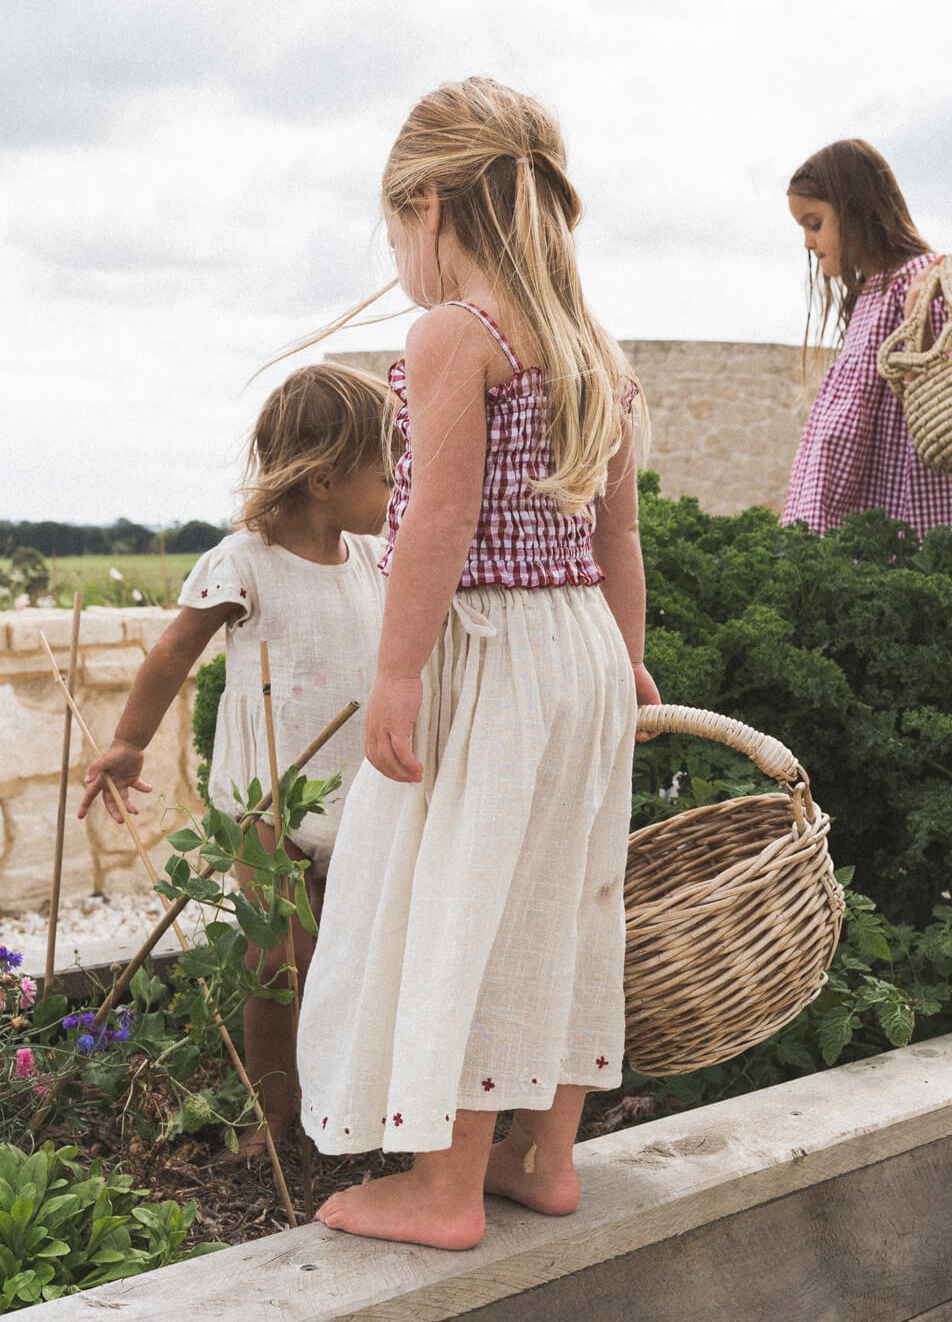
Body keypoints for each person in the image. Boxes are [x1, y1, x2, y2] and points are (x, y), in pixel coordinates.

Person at [295, 76, 660, 1252]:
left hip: (492, 648)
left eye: (396, 223)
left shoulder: (457, 333)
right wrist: (628, 669)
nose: (401, 253)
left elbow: (438, 520)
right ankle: (542, 1158)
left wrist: (395, 674)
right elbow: (618, 540)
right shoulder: (592, 348)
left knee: (461, 896)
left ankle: (441, 1185)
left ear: (433, 203)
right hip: (580, 650)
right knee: (558, 895)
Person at [78, 362, 393, 1152]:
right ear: (323, 478)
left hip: (356, 792)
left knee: (345, 955)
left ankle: (338, 1102)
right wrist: (129, 742)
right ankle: (275, 1113)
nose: (397, 481)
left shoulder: (372, 560)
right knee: (281, 951)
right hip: (268, 799)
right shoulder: (243, 561)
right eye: (383, 466)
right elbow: (175, 648)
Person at [781, 138, 952, 537]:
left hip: (909, 501)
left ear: (858, 212)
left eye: (815, 224)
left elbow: (941, 394)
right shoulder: (871, 291)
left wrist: (921, 302)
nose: (809, 242)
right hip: (866, 496)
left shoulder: (916, 281)